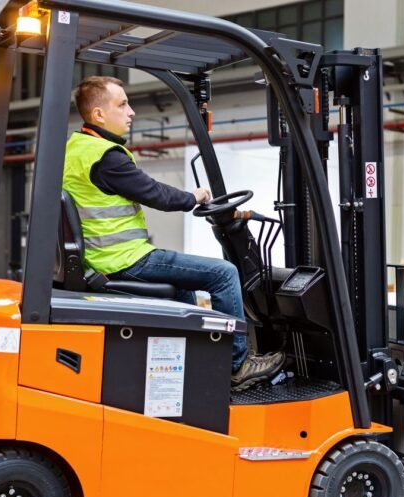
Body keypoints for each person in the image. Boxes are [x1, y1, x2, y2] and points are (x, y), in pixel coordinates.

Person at [64, 75, 283, 390]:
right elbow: (156, 195)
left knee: (183, 289)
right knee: (224, 273)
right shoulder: (106, 156)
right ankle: (237, 365)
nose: (131, 112)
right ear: (98, 115)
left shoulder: (77, 148)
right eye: (122, 104)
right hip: (122, 259)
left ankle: (196, 361)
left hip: (103, 257)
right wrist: (193, 197)